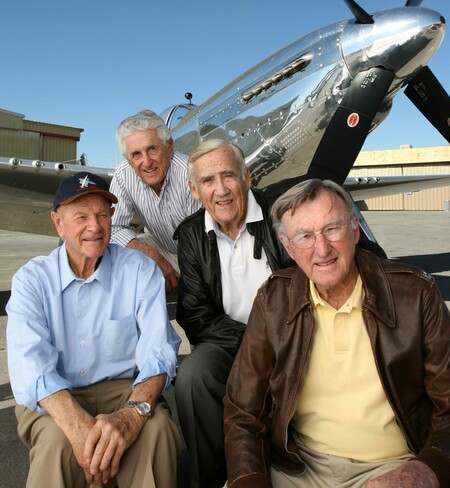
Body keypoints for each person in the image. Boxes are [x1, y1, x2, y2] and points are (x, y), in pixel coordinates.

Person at [224, 178, 450, 488]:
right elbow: (243, 414)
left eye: (332, 229)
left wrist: (427, 468)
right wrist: (250, 481)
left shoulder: (415, 294)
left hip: (391, 468)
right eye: (304, 236)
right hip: (298, 467)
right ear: (287, 247)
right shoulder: (273, 300)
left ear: (355, 229)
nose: (322, 248)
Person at [7, 171, 182, 488]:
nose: (95, 227)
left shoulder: (139, 270)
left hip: (124, 390)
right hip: (55, 396)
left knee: (158, 431)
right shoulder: (31, 280)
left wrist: (131, 416)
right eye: (81, 217)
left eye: (103, 215)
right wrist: (78, 430)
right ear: (58, 223)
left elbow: (159, 352)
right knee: (57, 445)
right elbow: (30, 365)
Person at [174, 139, 294, 488]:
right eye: (208, 181)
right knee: (193, 375)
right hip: (229, 343)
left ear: (248, 177)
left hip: (290, 339)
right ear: (194, 191)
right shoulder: (192, 235)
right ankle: (213, 478)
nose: (221, 189)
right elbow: (194, 315)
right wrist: (252, 347)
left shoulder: (280, 216)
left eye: (229, 175)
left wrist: (277, 345)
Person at [110, 109, 201, 293]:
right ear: (128, 159)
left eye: (152, 149)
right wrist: (150, 254)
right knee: (116, 256)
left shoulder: (190, 173)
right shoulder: (122, 175)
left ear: (169, 147)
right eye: (136, 154)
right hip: (163, 247)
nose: (146, 162)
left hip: (202, 256)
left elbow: (205, 242)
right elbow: (112, 227)